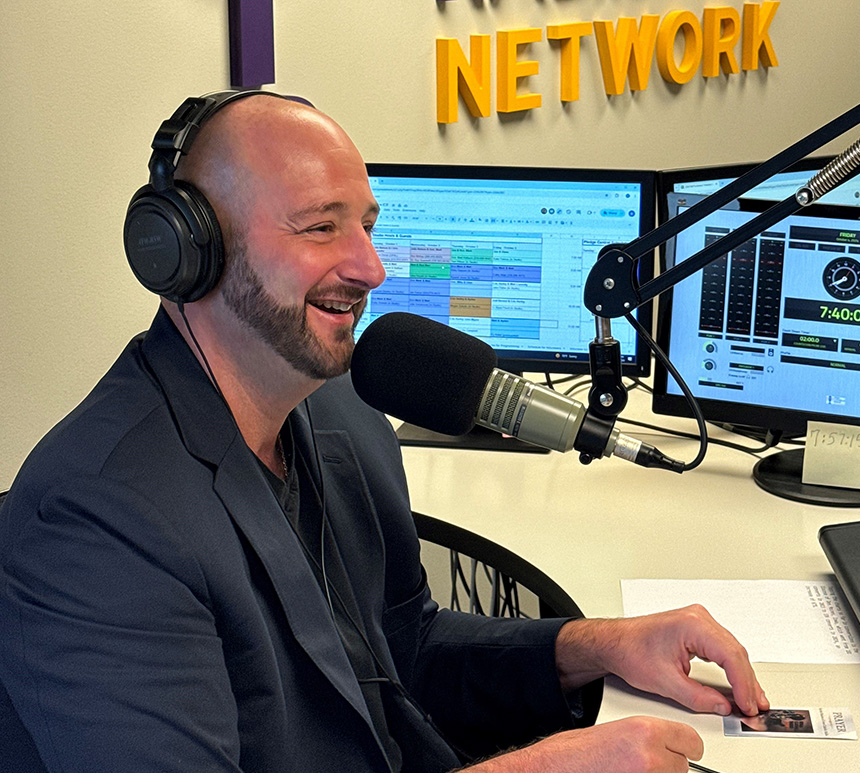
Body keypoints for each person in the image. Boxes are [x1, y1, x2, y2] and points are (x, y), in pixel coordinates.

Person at [0, 92, 767, 773]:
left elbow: (403, 651)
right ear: (185, 252)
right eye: (318, 228)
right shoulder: (95, 520)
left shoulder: (339, 410)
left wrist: (592, 647)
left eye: (366, 224)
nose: (370, 267)